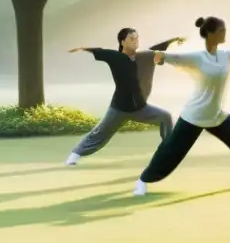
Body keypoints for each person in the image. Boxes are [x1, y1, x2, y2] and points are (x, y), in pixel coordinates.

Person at [131, 16, 230, 196]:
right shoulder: (197, 58)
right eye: (222, 30)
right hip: (194, 116)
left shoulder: (224, 55)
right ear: (211, 34)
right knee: (170, 152)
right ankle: (143, 181)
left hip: (215, 116)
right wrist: (157, 57)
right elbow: (172, 58)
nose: (225, 33)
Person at [65, 28, 186, 166]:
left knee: (165, 117)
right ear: (122, 42)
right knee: (99, 133)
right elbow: (99, 51)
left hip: (141, 108)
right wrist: (82, 48)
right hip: (119, 109)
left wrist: (174, 40)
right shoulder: (115, 57)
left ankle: (167, 153)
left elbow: (159, 49)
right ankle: (75, 155)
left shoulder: (145, 56)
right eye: (132, 39)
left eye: (137, 38)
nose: (136, 41)